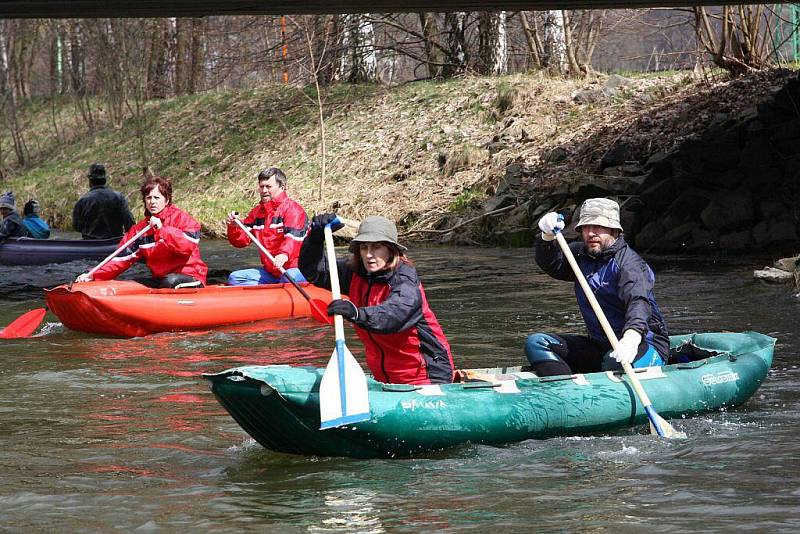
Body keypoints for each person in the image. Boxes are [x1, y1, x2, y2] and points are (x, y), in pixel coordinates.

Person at [300, 214, 455, 385]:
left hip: (426, 375)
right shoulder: (355, 273)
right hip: (385, 378)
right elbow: (314, 271)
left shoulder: (405, 280)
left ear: (390, 250)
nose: (369, 255)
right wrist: (314, 239)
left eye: (376, 247)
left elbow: (394, 315)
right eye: (364, 248)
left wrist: (357, 314)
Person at [525, 197, 670, 377]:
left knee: (613, 360)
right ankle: (567, 391)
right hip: (600, 344)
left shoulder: (630, 265)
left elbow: (638, 303)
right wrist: (546, 237)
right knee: (537, 343)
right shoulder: (580, 255)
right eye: (586, 227)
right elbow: (553, 264)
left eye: (598, 227)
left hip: (642, 344)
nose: (591, 233)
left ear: (614, 231)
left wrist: (631, 339)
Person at [75, 175, 207, 289]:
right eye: (148, 198)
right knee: (128, 284)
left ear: (166, 200)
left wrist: (162, 229)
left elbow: (186, 247)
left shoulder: (183, 220)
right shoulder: (139, 230)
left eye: (157, 197)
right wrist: (92, 274)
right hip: (161, 279)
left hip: (191, 276)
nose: (152, 202)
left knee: (170, 281)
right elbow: (120, 258)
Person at [225, 167, 308, 285]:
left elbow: (294, 239)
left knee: (290, 277)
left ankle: (280, 294)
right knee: (235, 278)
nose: (264, 190)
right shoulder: (257, 212)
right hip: (271, 272)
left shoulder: (293, 210)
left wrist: (284, 254)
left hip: (296, 268)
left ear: (282, 187)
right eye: (261, 186)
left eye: (268, 187)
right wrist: (234, 227)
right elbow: (240, 242)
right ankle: (268, 296)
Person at [72, 163, 136, 240]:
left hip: (89, 245)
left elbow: (77, 226)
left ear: (90, 181)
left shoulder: (82, 201)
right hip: (113, 244)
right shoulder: (119, 197)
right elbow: (129, 223)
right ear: (104, 180)